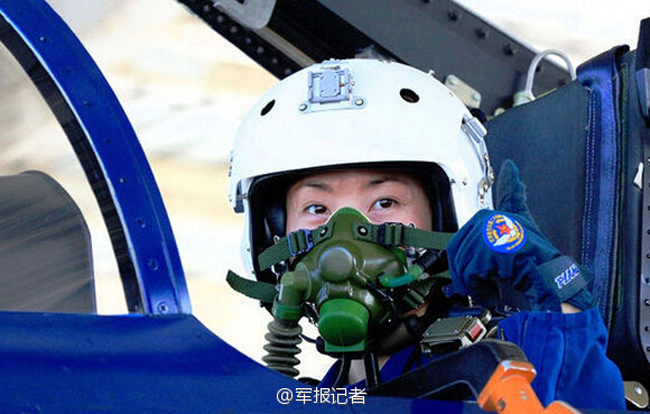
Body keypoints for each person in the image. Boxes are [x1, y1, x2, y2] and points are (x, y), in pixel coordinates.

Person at [227, 58, 625, 409]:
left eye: (384, 202)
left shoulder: (504, 358)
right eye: (317, 210)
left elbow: (583, 399)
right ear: (273, 233)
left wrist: (556, 287)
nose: (342, 245)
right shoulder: (304, 399)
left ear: (447, 217)